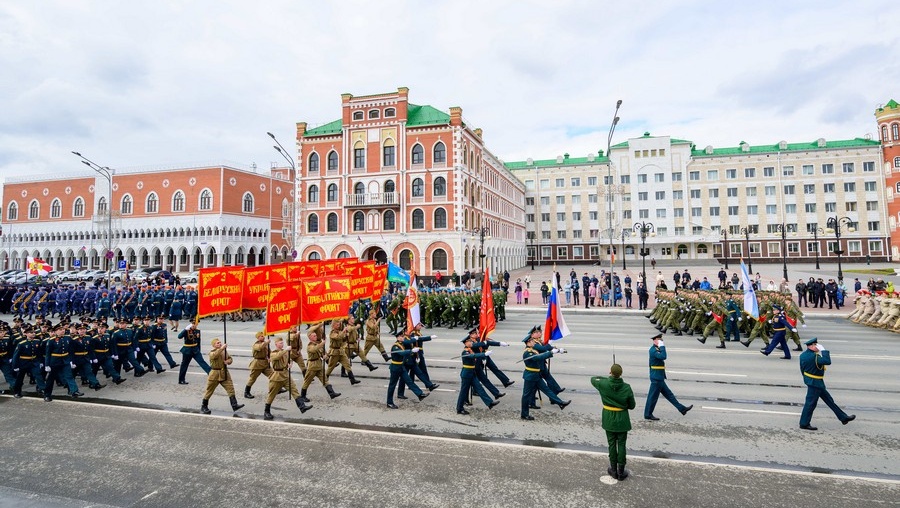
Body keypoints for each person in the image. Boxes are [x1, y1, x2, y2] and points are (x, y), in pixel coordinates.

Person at [798, 338, 855, 430]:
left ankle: (843, 418)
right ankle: (804, 423)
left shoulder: (803, 355)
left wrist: (807, 380)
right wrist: (823, 350)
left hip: (812, 381)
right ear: (811, 346)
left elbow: (802, 369)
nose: (817, 347)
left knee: (829, 400)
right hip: (815, 383)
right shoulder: (815, 357)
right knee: (810, 403)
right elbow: (827, 361)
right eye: (816, 345)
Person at [591, 363, 635, 481]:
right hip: (622, 419)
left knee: (611, 444)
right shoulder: (626, 387)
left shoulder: (603, 384)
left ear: (610, 372)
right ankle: (621, 471)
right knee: (621, 444)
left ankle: (613, 470)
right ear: (621, 374)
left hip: (609, 418)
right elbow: (632, 406)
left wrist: (608, 378)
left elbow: (593, 379)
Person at [520, 330, 569, 420]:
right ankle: (524, 414)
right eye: (532, 341)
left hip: (536, 375)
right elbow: (538, 357)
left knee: (547, 390)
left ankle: (560, 403)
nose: (533, 342)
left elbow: (542, 354)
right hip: (530, 377)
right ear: (528, 343)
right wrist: (551, 353)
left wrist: (556, 351)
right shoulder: (528, 352)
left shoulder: (533, 350)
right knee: (526, 395)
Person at [644, 334, 692, 420]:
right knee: (653, 397)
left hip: (659, 377)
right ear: (655, 341)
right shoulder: (653, 350)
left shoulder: (657, 349)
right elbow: (663, 356)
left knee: (669, 395)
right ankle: (648, 414)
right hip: (656, 378)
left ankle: (682, 409)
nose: (661, 341)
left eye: (661, 340)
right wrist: (662, 347)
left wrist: (661, 346)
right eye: (659, 340)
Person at [263, 337, 312, 420]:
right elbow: (277, 357)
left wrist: (290, 364)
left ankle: (302, 406)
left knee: (294, 390)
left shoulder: (285, 352)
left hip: (286, 375)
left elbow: (290, 359)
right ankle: (266, 411)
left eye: (282, 343)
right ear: (276, 344)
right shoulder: (273, 353)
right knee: (272, 394)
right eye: (280, 343)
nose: (282, 344)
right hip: (277, 377)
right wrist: (286, 350)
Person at [456, 334, 499, 415]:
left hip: (472, 373)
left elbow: (475, 354)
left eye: (471, 341)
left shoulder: (470, 350)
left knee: (479, 388)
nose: (471, 342)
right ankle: (459, 408)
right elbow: (474, 356)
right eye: (469, 341)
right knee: (463, 392)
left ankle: (489, 403)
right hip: (466, 374)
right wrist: (484, 354)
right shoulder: (465, 352)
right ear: (466, 343)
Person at [200, 338, 244, 415]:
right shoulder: (212, 352)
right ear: (214, 345)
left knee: (230, 388)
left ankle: (234, 405)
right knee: (209, 390)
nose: (219, 344)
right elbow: (214, 356)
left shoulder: (224, 351)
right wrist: (221, 348)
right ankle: (204, 406)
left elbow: (230, 358)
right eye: (217, 343)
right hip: (215, 374)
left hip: (224, 372)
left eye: (220, 342)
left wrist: (228, 361)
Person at [244, 331, 273, 399]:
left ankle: (276, 388)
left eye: (263, 336)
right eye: (261, 336)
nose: (263, 337)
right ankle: (246, 392)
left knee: (273, 375)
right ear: (258, 337)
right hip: (257, 364)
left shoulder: (265, 344)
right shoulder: (256, 344)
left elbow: (270, 352)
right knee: (252, 379)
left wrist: (270, 357)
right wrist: (266, 343)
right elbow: (260, 347)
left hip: (265, 364)